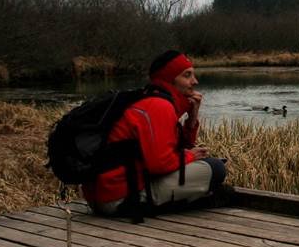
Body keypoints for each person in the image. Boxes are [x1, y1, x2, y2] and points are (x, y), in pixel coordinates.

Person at [83, 50, 227, 216]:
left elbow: (179, 148)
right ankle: (161, 204)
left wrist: (192, 118)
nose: (195, 81)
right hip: (117, 198)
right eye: (187, 75)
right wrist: (191, 156)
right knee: (216, 168)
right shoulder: (159, 106)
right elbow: (160, 164)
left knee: (207, 166)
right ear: (170, 79)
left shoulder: (149, 99)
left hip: (101, 196)